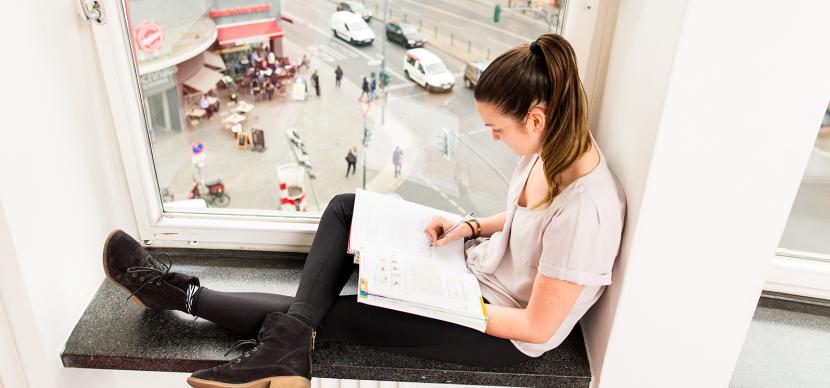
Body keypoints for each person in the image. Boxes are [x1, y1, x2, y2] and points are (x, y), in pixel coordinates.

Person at [101, 33, 626, 388]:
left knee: (327, 316)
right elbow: (524, 221)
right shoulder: (549, 150)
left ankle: (178, 293)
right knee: (345, 209)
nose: (492, 137)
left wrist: (440, 302)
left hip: (501, 330)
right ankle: (282, 350)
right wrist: (470, 225)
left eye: (498, 130)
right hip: (472, 273)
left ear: (535, 118)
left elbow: (537, 326)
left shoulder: (589, 211)